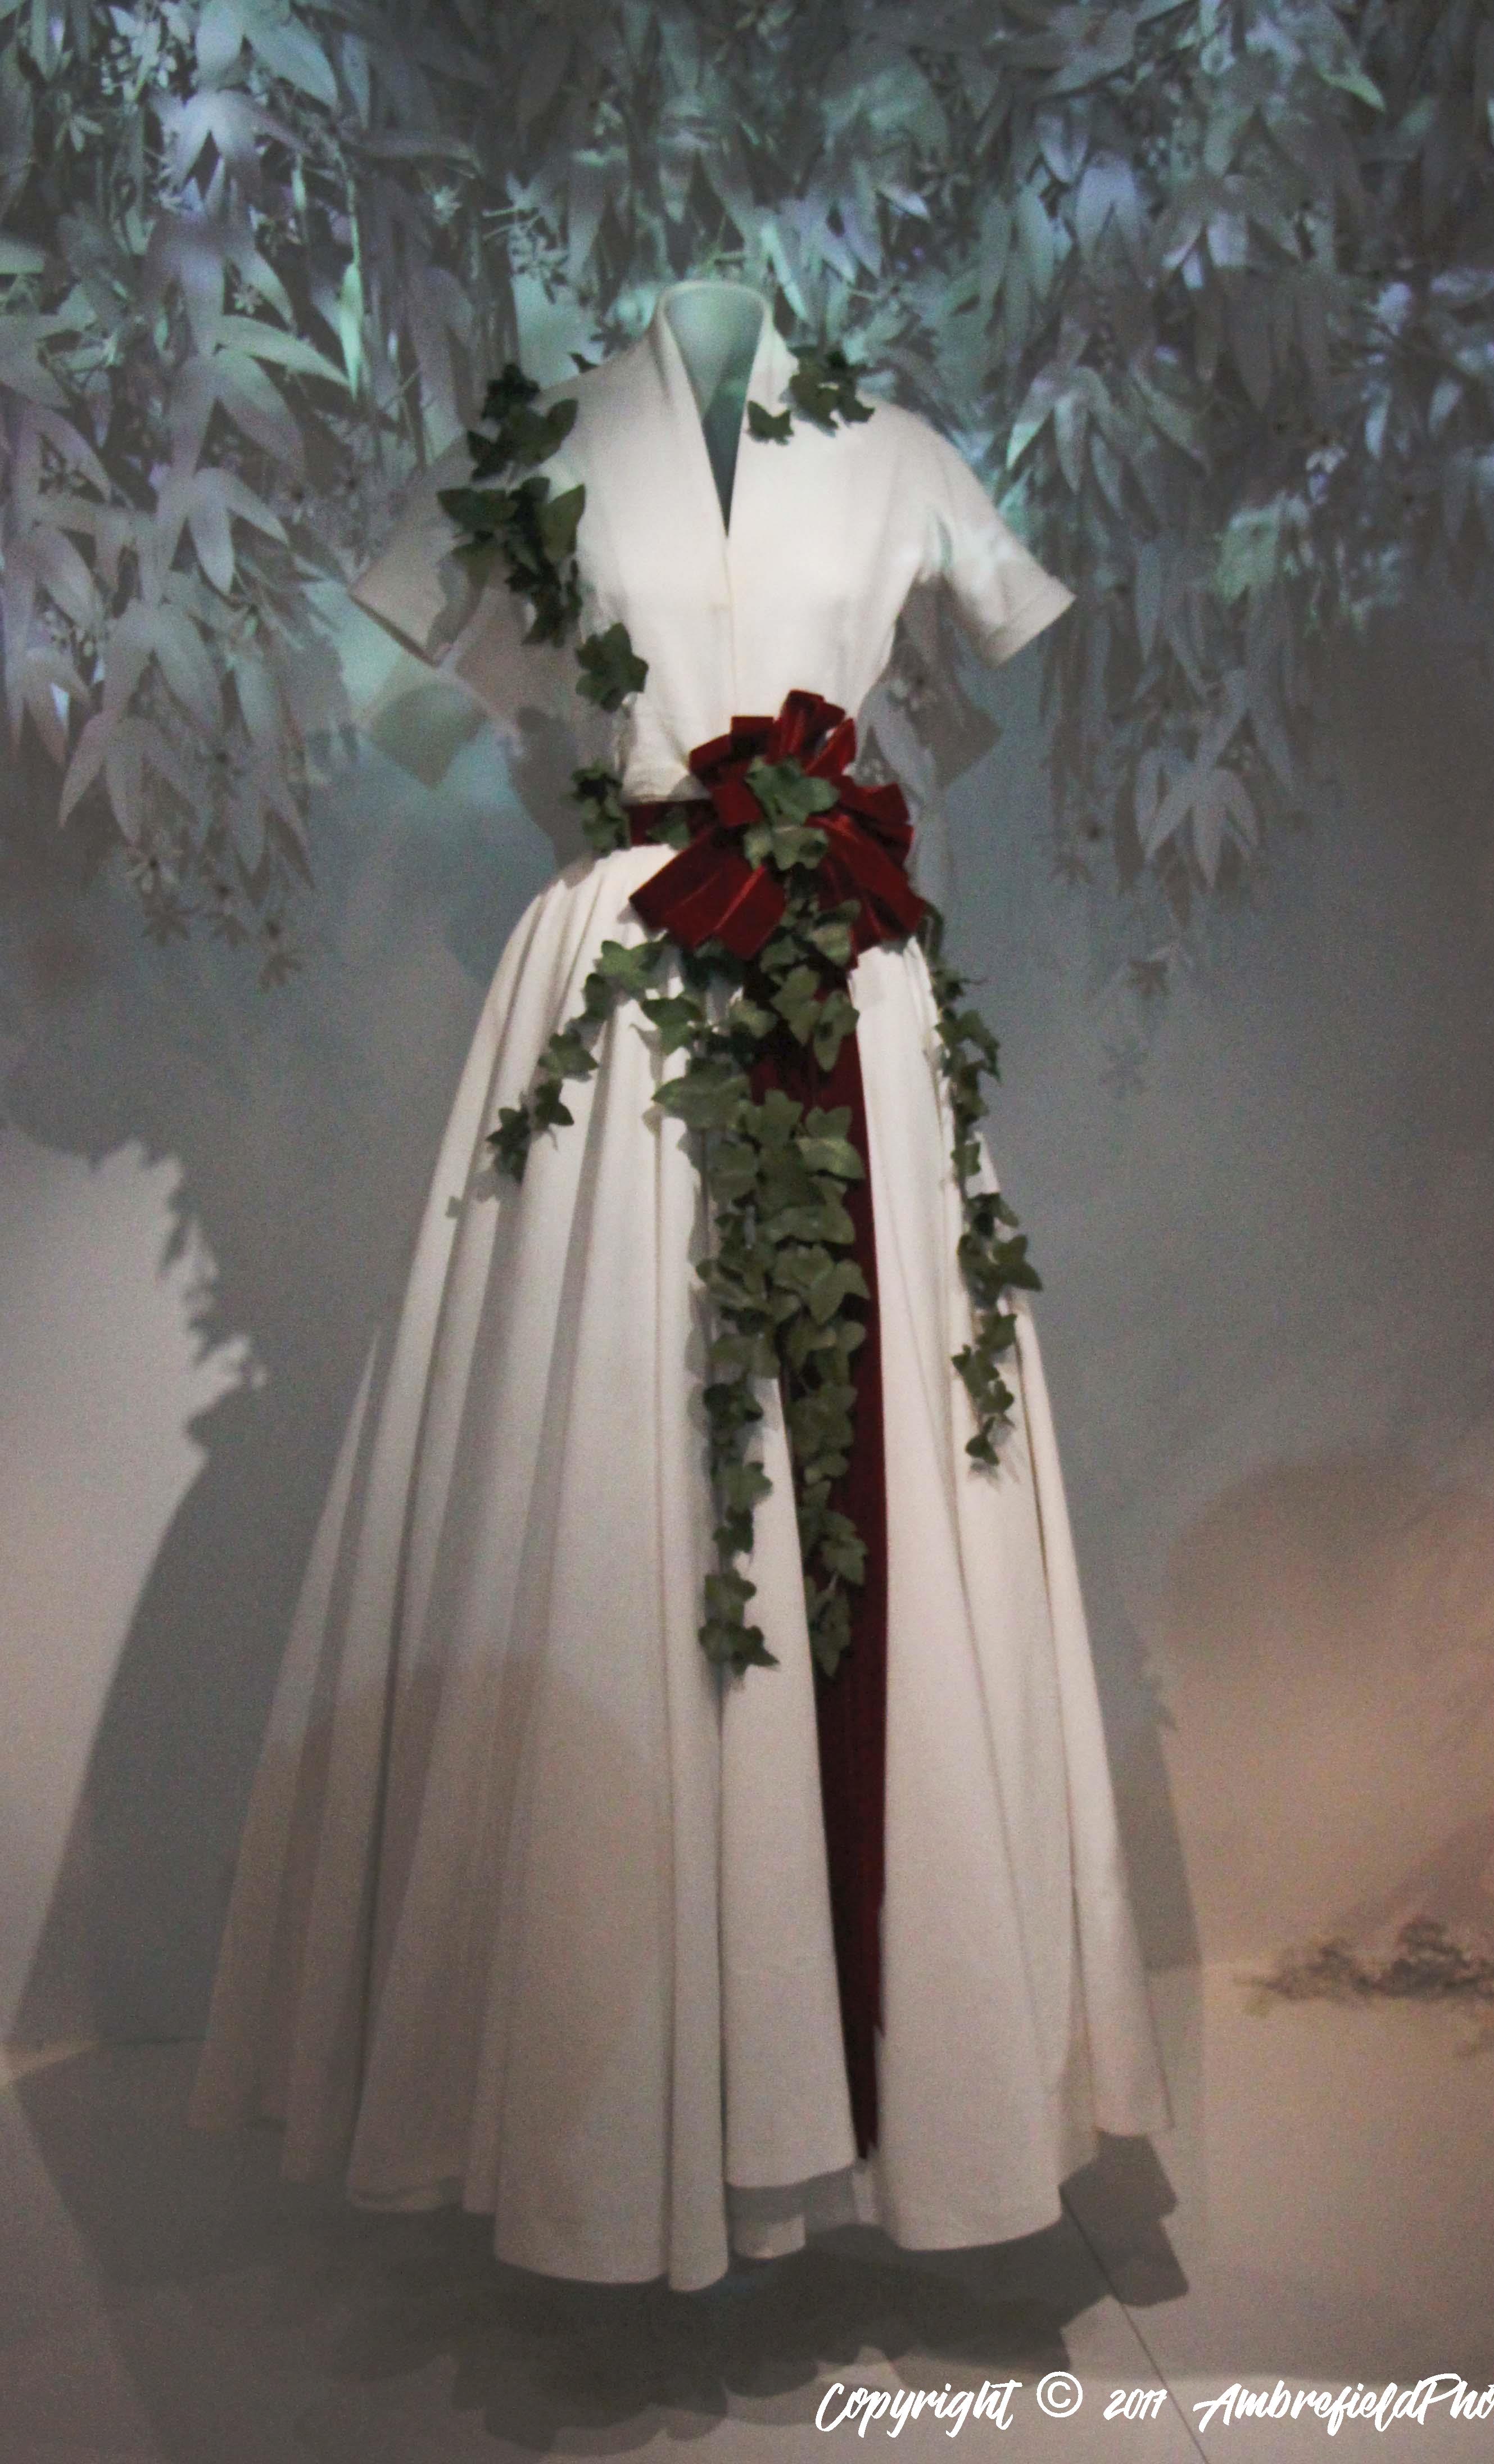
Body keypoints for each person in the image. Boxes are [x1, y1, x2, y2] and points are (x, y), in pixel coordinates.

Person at [189, 279, 1170, 2290]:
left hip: (852, 992)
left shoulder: (897, 452)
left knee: (886, 1474)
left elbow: (979, 678)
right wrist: (567, 790)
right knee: (621, 1464)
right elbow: (385, 673)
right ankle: (599, 2106)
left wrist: (841, 793)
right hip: (628, 977)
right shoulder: (546, 447)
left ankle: (910, 2087)